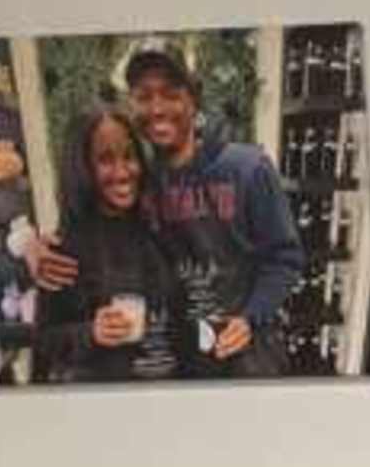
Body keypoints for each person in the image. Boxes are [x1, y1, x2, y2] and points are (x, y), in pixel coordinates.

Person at [121, 39, 301, 373]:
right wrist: (32, 246)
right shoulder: (135, 183)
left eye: (171, 94)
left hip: (248, 356)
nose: (157, 109)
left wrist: (249, 318)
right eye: (144, 96)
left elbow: (284, 259)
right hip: (177, 361)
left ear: (193, 100)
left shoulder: (247, 168)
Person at [20, 96, 179, 385]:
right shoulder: (64, 248)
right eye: (105, 160)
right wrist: (90, 333)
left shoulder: (157, 223)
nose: (122, 172)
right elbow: (45, 339)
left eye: (129, 156)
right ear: (83, 168)